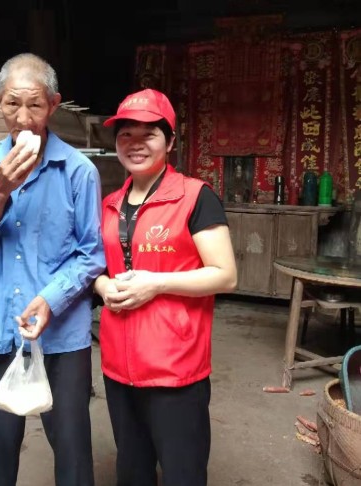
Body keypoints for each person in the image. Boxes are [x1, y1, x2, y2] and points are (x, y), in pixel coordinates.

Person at [0, 52, 106, 486]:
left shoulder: (79, 171)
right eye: (12, 104)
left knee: (73, 455)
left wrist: (50, 300)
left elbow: (92, 254)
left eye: (35, 105)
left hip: (62, 335)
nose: (23, 119)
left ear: (54, 105)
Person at [93, 88, 237, 486]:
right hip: (118, 364)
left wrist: (155, 284)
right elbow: (97, 268)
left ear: (170, 141)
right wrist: (103, 286)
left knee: (182, 472)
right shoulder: (109, 204)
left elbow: (225, 274)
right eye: (126, 134)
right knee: (132, 469)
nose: (135, 144)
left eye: (149, 134)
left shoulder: (195, 197)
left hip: (175, 366)